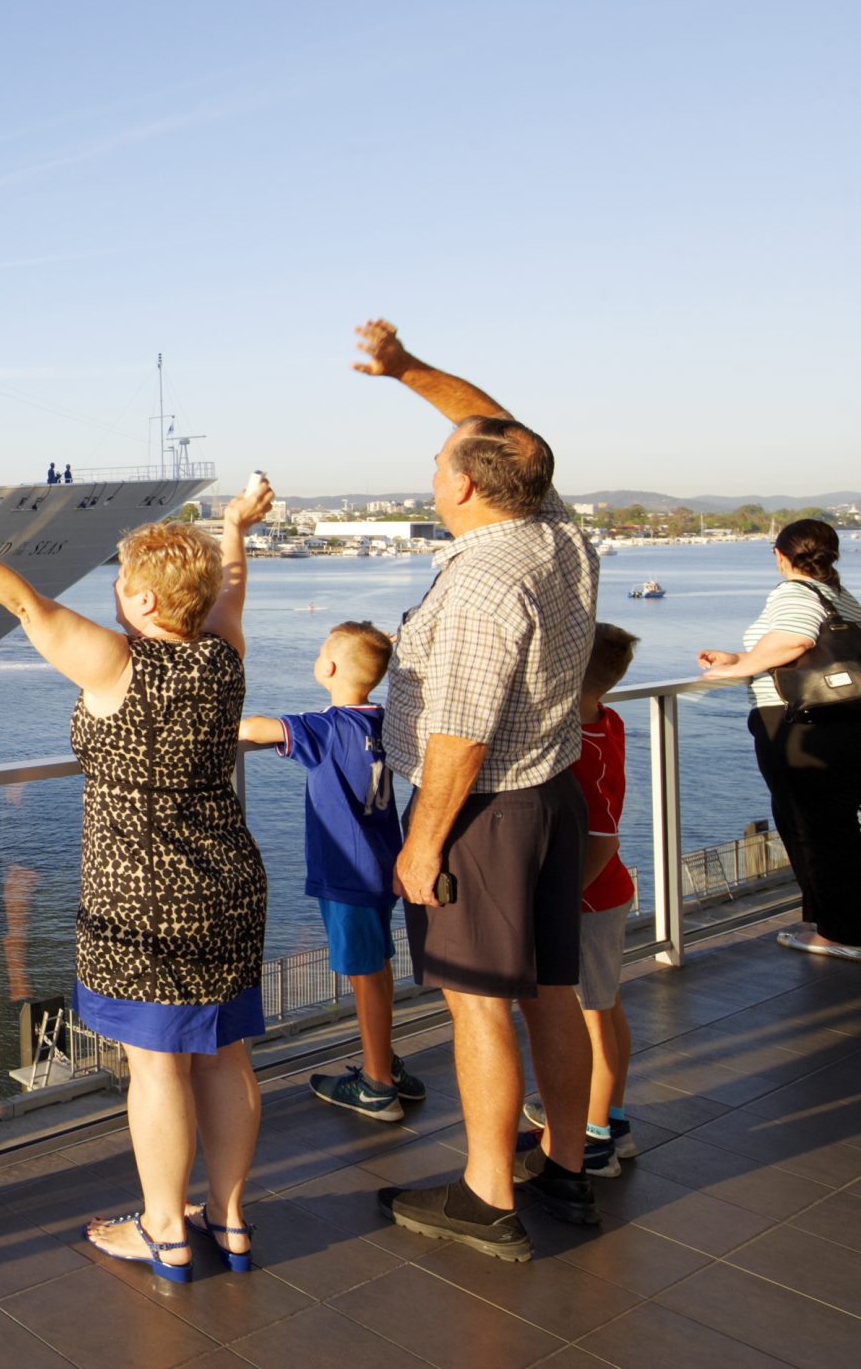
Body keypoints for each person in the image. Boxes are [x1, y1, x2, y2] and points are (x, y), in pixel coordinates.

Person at [0, 480, 274, 1284]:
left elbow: (29, 606)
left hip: (140, 897)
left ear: (141, 594)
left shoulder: (118, 664)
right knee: (225, 1056)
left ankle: (167, 1230)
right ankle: (232, 1220)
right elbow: (233, 589)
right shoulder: (224, 655)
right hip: (229, 883)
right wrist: (234, 528)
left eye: (118, 578)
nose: (110, 588)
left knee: (157, 1067)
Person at [351, 318, 601, 1257]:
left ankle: (487, 1196)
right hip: (552, 793)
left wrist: (421, 843)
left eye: (438, 460)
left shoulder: (478, 587)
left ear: (460, 486)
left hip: (481, 817)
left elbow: (458, 735)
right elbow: (497, 426)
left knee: (480, 1003)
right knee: (551, 990)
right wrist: (408, 369)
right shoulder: (556, 535)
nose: (431, 469)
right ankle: (566, 1167)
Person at [241, 621, 423, 1120]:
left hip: (345, 873)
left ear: (330, 667)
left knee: (363, 976)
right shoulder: (381, 722)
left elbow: (257, 728)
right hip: (383, 864)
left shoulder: (328, 727)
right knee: (379, 967)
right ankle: (383, 1060)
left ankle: (376, 1084)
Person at [514, 623, 642, 1180]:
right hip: (609, 893)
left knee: (589, 1013)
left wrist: (565, 901)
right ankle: (611, 1117)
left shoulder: (583, 752)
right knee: (607, 1007)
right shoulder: (605, 724)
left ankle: (591, 1140)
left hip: (588, 902)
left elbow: (602, 838)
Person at [699, 519, 861, 958]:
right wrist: (741, 656)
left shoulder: (794, 591)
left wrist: (736, 669)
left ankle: (838, 933)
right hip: (843, 722)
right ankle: (837, 922)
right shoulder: (841, 597)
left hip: (798, 723)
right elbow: (807, 647)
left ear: (781, 554)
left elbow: (794, 639)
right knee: (837, 824)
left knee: (814, 828)